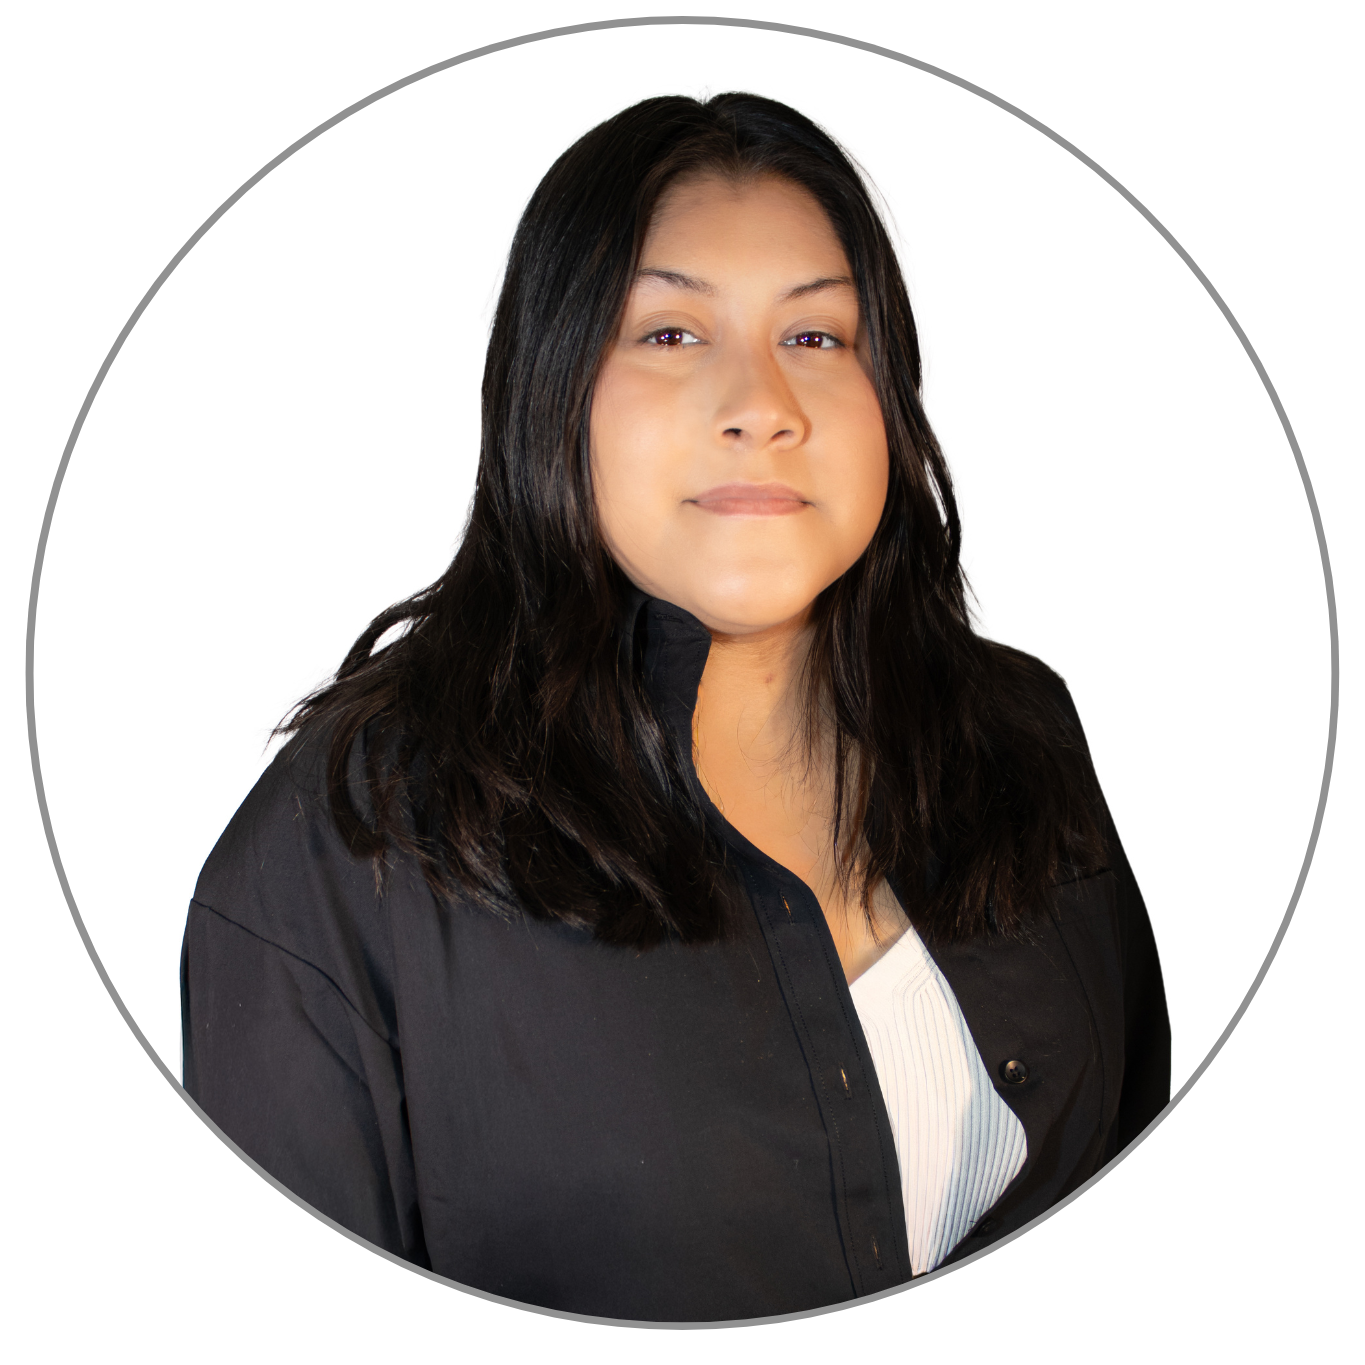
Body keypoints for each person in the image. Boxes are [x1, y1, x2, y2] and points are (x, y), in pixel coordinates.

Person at [181, 92, 1169, 1321]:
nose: (763, 403)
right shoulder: (349, 847)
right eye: (669, 332)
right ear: (552, 390)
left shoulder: (1020, 738)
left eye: (816, 336)